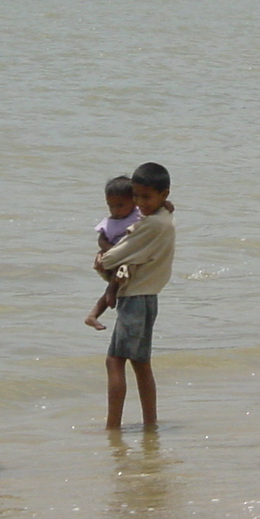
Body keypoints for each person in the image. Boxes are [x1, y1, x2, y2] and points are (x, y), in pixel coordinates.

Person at [87, 162, 175, 430]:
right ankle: (150, 423)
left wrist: (102, 259)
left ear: (163, 194)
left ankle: (113, 426)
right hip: (147, 297)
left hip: (135, 299)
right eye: (136, 197)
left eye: (146, 197)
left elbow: (112, 258)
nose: (140, 203)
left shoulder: (151, 225)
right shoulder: (162, 217)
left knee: (114, 361)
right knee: (141, 364)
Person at [89, 176, 140, 319]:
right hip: (114, 255)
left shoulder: (138, 215)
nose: (115, 210)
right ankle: (95, 313)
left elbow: (157, 210)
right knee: (114, 280)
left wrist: (167, 205)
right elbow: (101, 240)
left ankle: (93, 316)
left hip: (128, 255)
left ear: (134, 201)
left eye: (120, 205)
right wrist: (111, 249)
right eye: (111, 206)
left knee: (114, 284)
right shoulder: (109, 222)